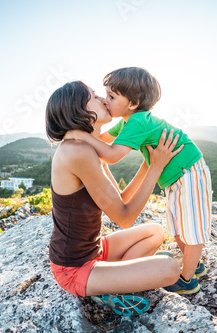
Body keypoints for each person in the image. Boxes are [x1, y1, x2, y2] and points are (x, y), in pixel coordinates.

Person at [64, 67, 213, 294]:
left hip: (188, 171)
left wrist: (81, 136)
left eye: (111, 97)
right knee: (177, 225)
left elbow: (111, 155)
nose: (105, 100)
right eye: (104, 94)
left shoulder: (138, 121)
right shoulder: (127, 121)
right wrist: (83, 134)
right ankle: (195, 264)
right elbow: (102, 140)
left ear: (132, 103)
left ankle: (187, 279)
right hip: (175, 177)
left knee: (190, 227)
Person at [46, 80, 181, 316]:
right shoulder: (76, 152)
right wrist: (156, 168)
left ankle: (114, 278)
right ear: (78, 109)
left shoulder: (88, 148)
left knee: (155, 232)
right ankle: (107, 287)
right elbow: (125, 217)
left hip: (95, 251)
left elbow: (119, 199)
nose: (102, 99)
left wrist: (148, 164)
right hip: (74, 269)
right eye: (93, 96)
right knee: (170, 268)